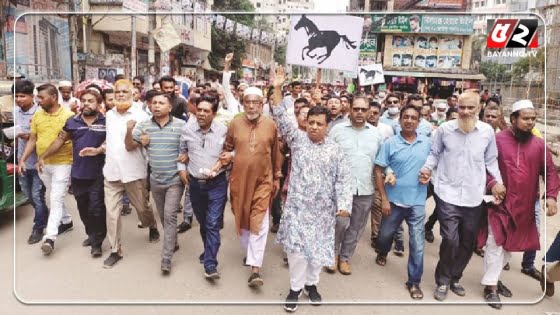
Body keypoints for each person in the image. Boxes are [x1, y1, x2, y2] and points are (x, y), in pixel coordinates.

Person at [270, 67, 352, 312]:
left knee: (316, 253)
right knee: (296, 252)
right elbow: (280, 115)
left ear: (328, 126)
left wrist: (344, 205)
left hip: (323, 212)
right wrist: (276, 87)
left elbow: (344, 179)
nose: (314, 127)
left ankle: (312, 285)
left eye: (319, 124)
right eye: (311, 122)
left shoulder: (335, 150)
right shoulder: (297, 140)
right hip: (297, 208)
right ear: (305, 123)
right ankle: (295, 289)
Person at [419, 91, 506, 301]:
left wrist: (498, 182)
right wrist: (427, 169)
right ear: (457, 107)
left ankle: (455, 277)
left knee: (468, 242)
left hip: (474, 195)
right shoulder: (445, 129)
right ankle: (442, 280)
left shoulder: (486, 132)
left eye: (470, 108)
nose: (465, 112)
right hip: (447, 192)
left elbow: (491, 160)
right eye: (462, 107)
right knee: (450, 239)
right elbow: (435, 153)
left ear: (479, 109)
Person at [477, 100, 559, 309]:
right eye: (525, 118)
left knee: (509, 246)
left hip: (525, 205)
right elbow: (482, 166)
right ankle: (490, 287)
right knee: (496, 243)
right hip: (499, 202)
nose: (530, 122)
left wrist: (551, 197)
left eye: (533, 119)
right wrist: (493, 183)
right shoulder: (497, 140)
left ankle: (494, 278)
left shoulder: (539, 145)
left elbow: (549, 171)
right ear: (513, 119)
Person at [219, 85, 283, 288]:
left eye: (256, 102)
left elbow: (276, 154)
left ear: (262, 104)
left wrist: (277, 177)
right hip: (239, 180)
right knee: (243, 218)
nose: (252, 106)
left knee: (259, 221)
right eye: (248, 102)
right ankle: (250, 254)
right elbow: (228, 148)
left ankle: (255, 268)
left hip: (263, 180)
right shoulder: (235, 123)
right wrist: (226, 157)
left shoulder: (271, 125)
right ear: (243, 103)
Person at [38, 90, 107, 257]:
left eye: (91, 101)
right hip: (78, 174)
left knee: (96, 208)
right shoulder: (72, 122)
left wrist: (100, 149)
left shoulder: (107, 121)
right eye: (83, 100)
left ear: (98, 104)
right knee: (83, 208)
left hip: (99, 173)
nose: (86, 104)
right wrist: (43, 156)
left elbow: (113, 141)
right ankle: (91, 234)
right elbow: (60, 141)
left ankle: (97, 242)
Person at [374, 105, 432, 300]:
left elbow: (434, 164)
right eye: (405, 117)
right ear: (399, 120)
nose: (409, 120)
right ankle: (383, 251)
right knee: (384, 237)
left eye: (413, 118)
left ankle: (414, 282)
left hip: (417, 203)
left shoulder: (427, 143)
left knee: (417, 244)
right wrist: (384, 198)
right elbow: (378, 168)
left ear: (419, 121)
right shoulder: (390, 143)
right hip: (393, 202)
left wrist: (429, 175)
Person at [102, 79, 160, 268]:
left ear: (133, 93)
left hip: (134, 172)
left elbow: (141, 142)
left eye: (124, 92)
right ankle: (115, 250)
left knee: (142, 209)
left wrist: (139, 139)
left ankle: (151, 225)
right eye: (117, 92)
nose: (120, 95)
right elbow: (110, 142)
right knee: (111, 214)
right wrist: (98, 149)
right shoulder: (109, 115)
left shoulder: (141, 116)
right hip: (111, 172)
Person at [127, 91, 186, 273]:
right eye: (154, 103)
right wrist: (134, 136)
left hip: (175, 180)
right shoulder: (144, 126)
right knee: (163, 216)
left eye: (161, 103)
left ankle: (166, 258)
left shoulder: (182, 126)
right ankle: (173, 241)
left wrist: (187, 155)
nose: (156, 106)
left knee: (169, 216)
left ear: (170, 107)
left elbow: (191, 145)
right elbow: (129, 146)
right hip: (155, 180)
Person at [328, 97, 383, 275]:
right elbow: (326, 155)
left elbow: (382, 160)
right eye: (356, 109)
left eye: (363, 109)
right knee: (339, 223)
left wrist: (389, 173)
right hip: (340, 188)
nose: (360, 113)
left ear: (369, 112)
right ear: (349, 109)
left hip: (365, 188)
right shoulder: (336, 130)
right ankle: (332, 255)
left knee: (356, 227)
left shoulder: (376, 134)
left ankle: (345, 258)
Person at [18, 84, 74, 255]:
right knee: (53, 193)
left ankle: (49, 238)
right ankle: (67, 221)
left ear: (53, 98)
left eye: (41, 98)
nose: (38, 100)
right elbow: (33, 140)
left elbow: (61, 141)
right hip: (44, 164)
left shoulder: (69, 116)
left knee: (55, 198)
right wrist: (23, 159)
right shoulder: (38, 115)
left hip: (63, 163)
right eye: (37, 97)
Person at [179, 94, 228, 279]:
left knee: (213, 223)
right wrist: (181, 169)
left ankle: (210, 264)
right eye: (199, 110)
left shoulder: (224, 131)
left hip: (217, 184)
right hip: (195, 185)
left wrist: (227, 160)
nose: (201, 114)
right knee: (203, 223)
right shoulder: (187, 130)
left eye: (206, 111)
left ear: (214, 114)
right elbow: (182, 152)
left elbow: (231, 152)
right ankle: (208, 250)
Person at [14, 80, 49, 244]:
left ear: (31, 96)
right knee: (28, 195)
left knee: (37, 195)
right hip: (22, 160)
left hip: (38, 162)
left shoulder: (40, 112)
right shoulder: (16, 111)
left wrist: (30, 136)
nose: (19, 99)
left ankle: (38, 227)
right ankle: (45, 215)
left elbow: (46, 136)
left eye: (22, 96)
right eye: (16, 96)